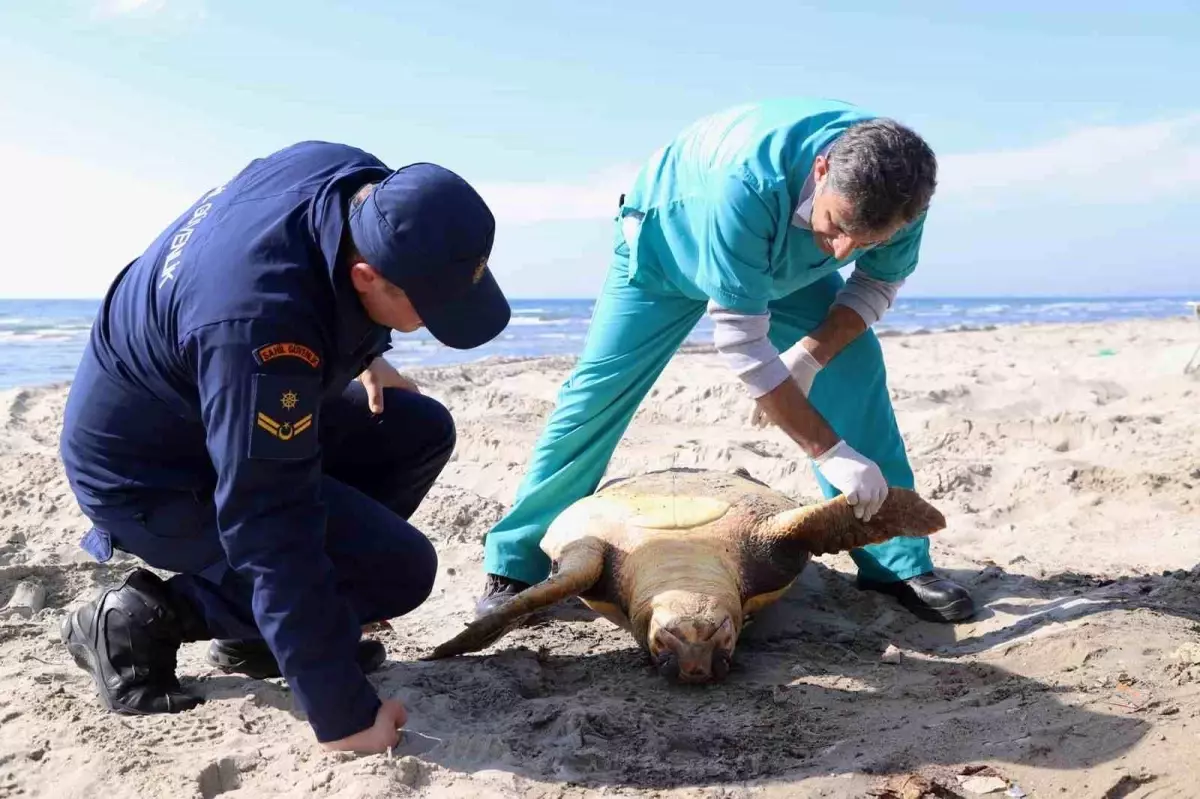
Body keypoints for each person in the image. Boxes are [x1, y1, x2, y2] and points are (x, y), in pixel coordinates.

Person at [58, 140, 510, 754]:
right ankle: (141, 615)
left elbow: (308, 278)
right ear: (366, 276)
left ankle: (254, 633)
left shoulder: (347, 181)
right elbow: (268, 523)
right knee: (397, 571)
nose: (434, 322)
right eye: (429, 309)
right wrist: (345, 716)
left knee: (413, 430)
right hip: (148, 472)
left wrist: (367, 351)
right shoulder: (258, 329)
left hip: (209, 398)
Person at [477, 98, 976, 626]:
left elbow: (876, 282)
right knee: (597, 394)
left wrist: (810, 355)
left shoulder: (901, 195)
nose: (841, 251)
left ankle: (894, 563)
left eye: (866, 240)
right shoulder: (746, 184)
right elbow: (741, 341)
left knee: (854, 363)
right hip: (668, 244)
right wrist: (831, 452)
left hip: (778, 264)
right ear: (822, 170)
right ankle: (517, 562)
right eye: (836, 226)